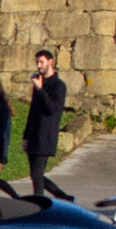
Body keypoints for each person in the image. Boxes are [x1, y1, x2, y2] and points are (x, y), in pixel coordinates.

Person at [23, 49, 73, 201]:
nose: (38, 66)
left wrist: (40, 89)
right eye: (37, 62)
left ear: (50, 63)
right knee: (35, 175)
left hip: (45, 136)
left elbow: (52, 109)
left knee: (37, 175)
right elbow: (33, 111)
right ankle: (63, 197)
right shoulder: (39, 83)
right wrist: (26, 136)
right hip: (33, 134)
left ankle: (39, 205)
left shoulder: (59, 86)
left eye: (41, 62)